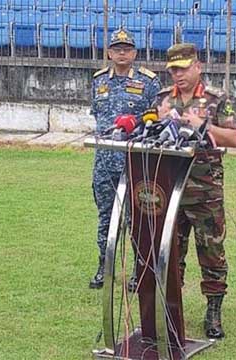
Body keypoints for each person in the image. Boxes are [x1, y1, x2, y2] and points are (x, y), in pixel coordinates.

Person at [154, 43, 236, 339]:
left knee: (212, 254)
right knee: (169, 253)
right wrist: (158, 120)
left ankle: (213, 311)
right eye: (173, 70)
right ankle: (169, 311)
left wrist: (203, 125)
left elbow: (234, 138)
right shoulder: (163, 99)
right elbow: (151, 136)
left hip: (205, 193)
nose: (178, 75)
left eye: (183, 68)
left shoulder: (216, 99)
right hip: (170, 190)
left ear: (197, 66)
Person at [89, 29, 161, 290]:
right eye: (117, 48)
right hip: (105, 162)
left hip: (135, 162)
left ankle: (138, 271)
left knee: (137, 219)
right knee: (106, 217)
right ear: (109, 52)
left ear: (135, 53)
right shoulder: (98, 81)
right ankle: (104, 267)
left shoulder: (149, 82)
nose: (121, 53)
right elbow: (97, 116)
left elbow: (157, 117)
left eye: (126, 48)